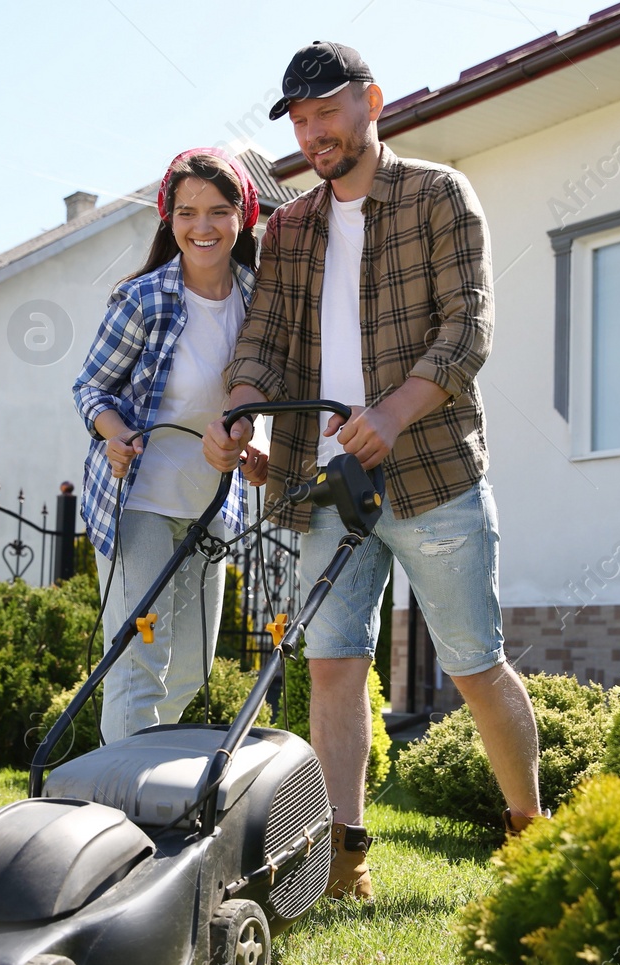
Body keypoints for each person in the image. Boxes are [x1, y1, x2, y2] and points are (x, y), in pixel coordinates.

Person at [204, 42, 544, 901]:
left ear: (371, 103)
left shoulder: (438, 196)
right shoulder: (289, 228)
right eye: (301, 119)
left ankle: (532, 838)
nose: (313, 133)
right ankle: (341, 855)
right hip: (325, 484)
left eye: (327, 112)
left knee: (473, 663)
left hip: (433, 474)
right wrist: (242, 403)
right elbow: (264, 341)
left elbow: (467, 330)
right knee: (333, 664)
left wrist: (390, 417)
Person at [73, 147, 270, 744]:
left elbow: (253, 396)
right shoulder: (145, 298)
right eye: (186, 212)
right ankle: (120, 808)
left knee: (191, 667)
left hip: (211, 504)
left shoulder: (258, 301)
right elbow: (91, 388)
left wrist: (258, 450)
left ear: (243, 217)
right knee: (139, 662)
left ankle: (154, 784)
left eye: (217, 211)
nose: (201, 227)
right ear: (169, 218)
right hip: (138, 501)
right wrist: (116, 435)